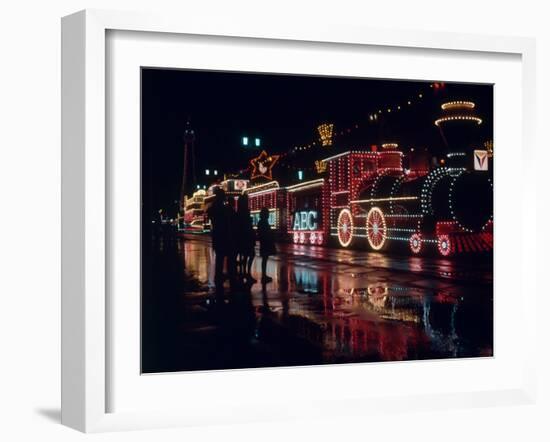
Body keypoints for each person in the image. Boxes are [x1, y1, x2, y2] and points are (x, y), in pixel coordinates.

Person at [207, 187, 237, 295]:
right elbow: (228, 223)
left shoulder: (213, 207)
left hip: (217, 236)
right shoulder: (223, 208)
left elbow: (209, 214)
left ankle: (218, 277)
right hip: (224, 235)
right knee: (228, 256)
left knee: (220, 257)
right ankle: (227, 276)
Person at [236, 194, 256, 282]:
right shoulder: (245, 212)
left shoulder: (238, 212)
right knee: (250, 255)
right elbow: (247, 224)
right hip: (247, 236)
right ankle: (247, 273)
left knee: (244, 255)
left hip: (241, 237)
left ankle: (243, 273)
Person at [257, 207, 276, 283]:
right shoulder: (264, 222)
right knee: (265, 259)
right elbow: (265, 233)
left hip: (263, 242)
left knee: (264, 259)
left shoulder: (261, 222)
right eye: (267, 213)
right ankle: (264, 276)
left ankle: (264, 275)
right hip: (265, 242)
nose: (268, 214)